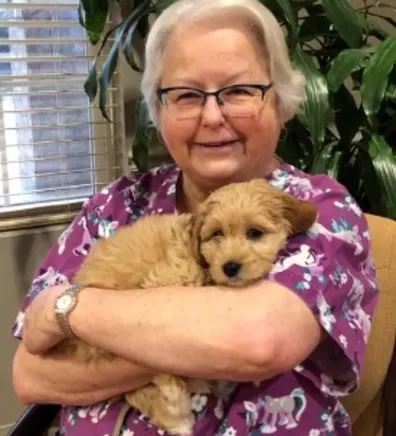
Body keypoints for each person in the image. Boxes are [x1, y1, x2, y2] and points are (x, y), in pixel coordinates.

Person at [11, 0, 379, 434]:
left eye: (239, 91)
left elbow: (256, 342)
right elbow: (32, 374)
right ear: (159, 109)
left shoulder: (322, 209)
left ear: (280, 101)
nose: (211, 116)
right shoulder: (114, 207)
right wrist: (184, 341)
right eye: (186, 95)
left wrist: (66, 307)